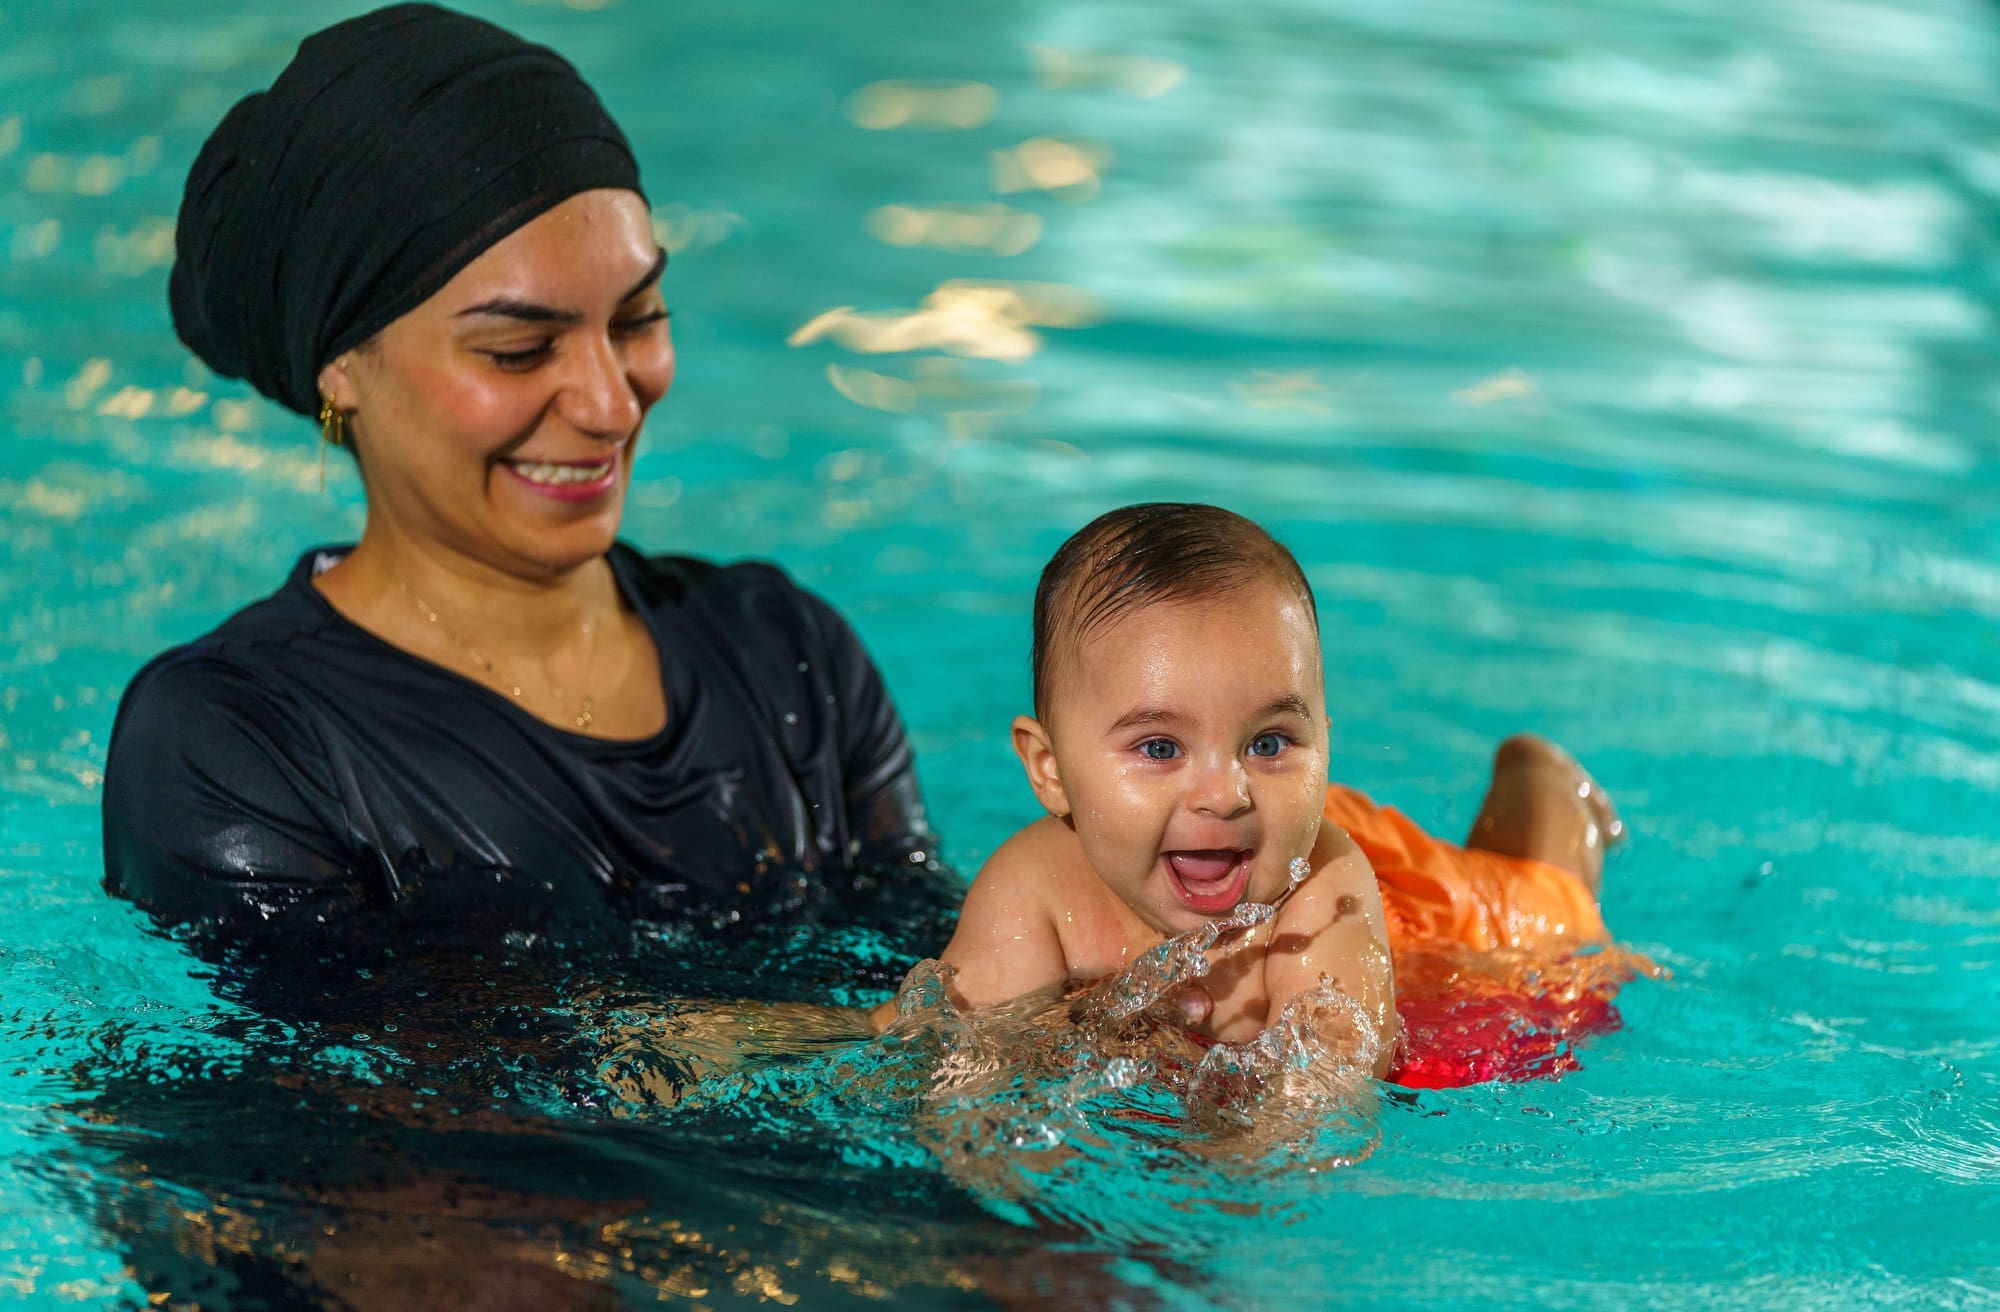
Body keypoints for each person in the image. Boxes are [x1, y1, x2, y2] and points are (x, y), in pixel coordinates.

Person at [101, 3, 938, 943]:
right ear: (340, 369)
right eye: (518, 350)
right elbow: (375, 1050)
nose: (610, 405)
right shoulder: (234, 741)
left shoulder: (788, 654)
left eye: (637, 320)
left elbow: (964, 977)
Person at [881, 503, 1629, 1079]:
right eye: (1160, 748)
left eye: (1268, 743)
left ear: (1321, 745)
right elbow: (952, 1052)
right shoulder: (1033, 886)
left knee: (1551, 906)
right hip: (1283, 832)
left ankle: (1544, 776)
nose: (1224, 793)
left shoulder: (1324, 888)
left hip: (1403, 900)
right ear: (1050, 770)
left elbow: (1331, 1083)